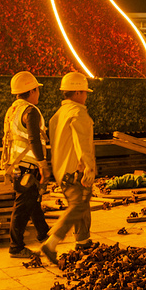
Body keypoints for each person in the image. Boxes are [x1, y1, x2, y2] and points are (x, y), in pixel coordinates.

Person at [40, 72, 96, 265]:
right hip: (75, 169)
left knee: (83, 201)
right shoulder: (78, 113)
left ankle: (83, 241)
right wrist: (88, 167)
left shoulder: (58, 114)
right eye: (85, 92)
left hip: (62, 169)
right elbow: (81, 143)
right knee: (78, 204)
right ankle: (51, 242)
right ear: (78, 92)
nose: (86, 95)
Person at [0, 71, 51, 258]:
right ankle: (16, 247)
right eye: (37, 90)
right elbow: (34, 139)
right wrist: (42, 164)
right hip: (27, 166)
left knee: (33, 200)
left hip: (15, 165)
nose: (39, 93)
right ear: (32, 90)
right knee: (23, 205)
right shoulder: (30, 111)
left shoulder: (12, 110)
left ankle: (43, 232)